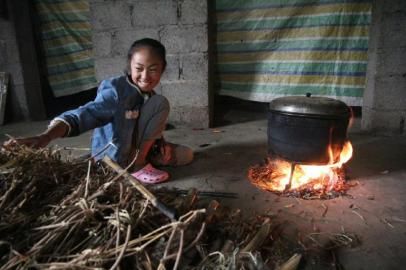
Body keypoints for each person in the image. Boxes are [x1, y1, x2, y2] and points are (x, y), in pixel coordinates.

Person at [3, 38, 193, 184]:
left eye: (153, 69)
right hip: (116, 159)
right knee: (161, 104)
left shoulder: (148, 94)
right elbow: (85, 114)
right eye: (139, 68)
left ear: (162, 70)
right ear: (130, 67)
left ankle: (149, 156)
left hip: (137, 148)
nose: (145, 76)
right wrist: (45, 137)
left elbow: (144, 127)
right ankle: (138, 166)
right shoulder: (116, 91)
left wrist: (161, 144)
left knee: (186, 154)